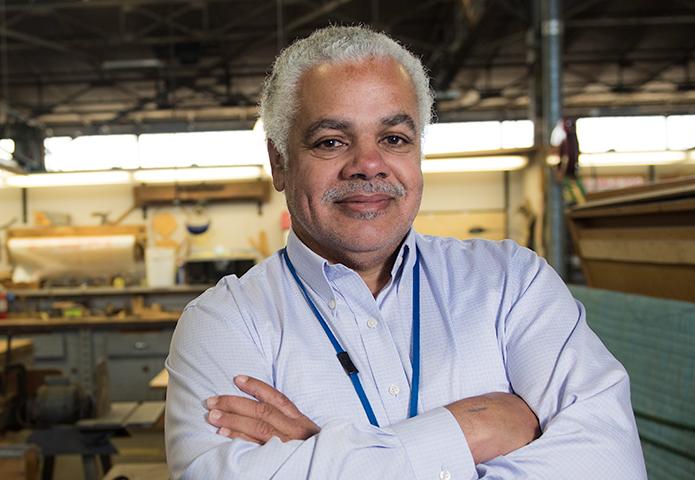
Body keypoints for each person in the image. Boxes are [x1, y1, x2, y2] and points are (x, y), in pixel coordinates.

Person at [164, 25, 647, 479]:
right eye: (331, 141)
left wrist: (324, 455)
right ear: (279, 162)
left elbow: (610, 463)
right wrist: (470, 431)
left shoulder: (512, 284)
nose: (368, 165)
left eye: (393, 139)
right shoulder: (223, 323)